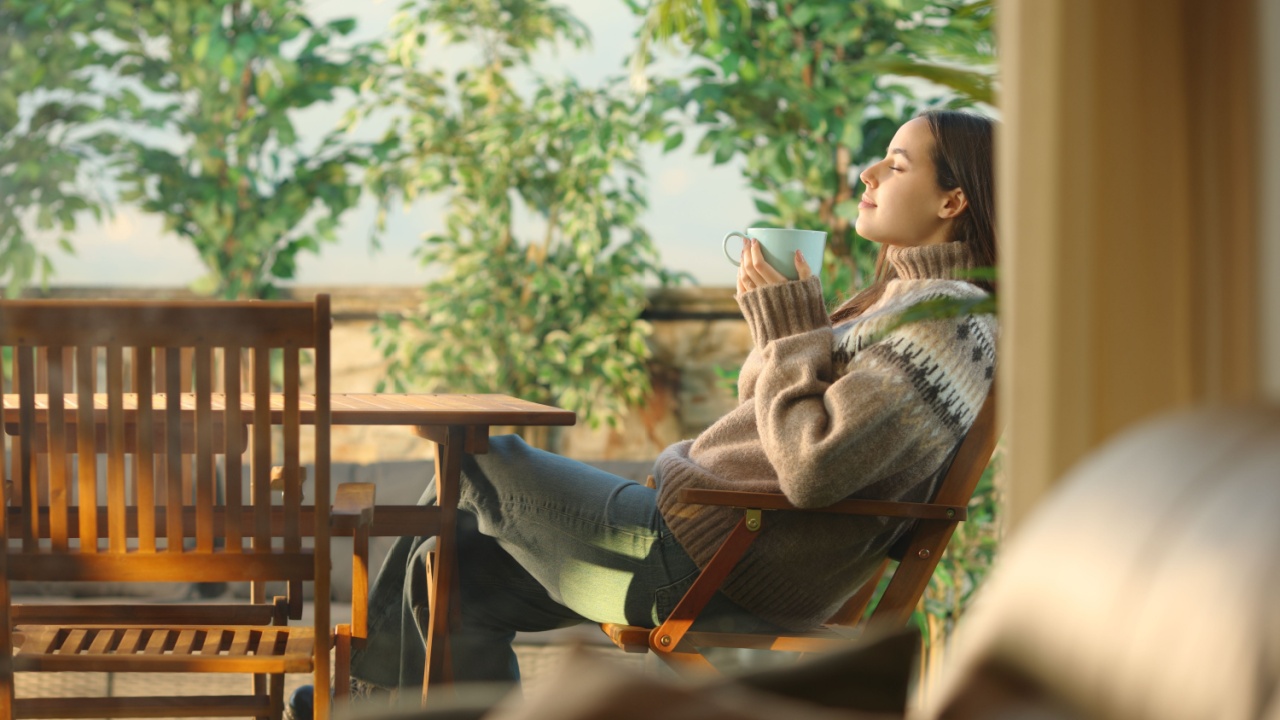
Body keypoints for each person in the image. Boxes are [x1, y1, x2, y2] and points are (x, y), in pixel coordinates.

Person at [288, 108, 999, 716]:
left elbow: (811, 466)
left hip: (713, 563)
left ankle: (359, 703)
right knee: (457, 567)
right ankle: (373, 704)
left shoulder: (941, 324)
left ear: (953, 201)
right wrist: (784, 331)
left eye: (897, 165)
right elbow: (774, 416)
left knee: (474, 465)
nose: (869, 175)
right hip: (715, 541)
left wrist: (790, 332)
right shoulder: (907, 307)